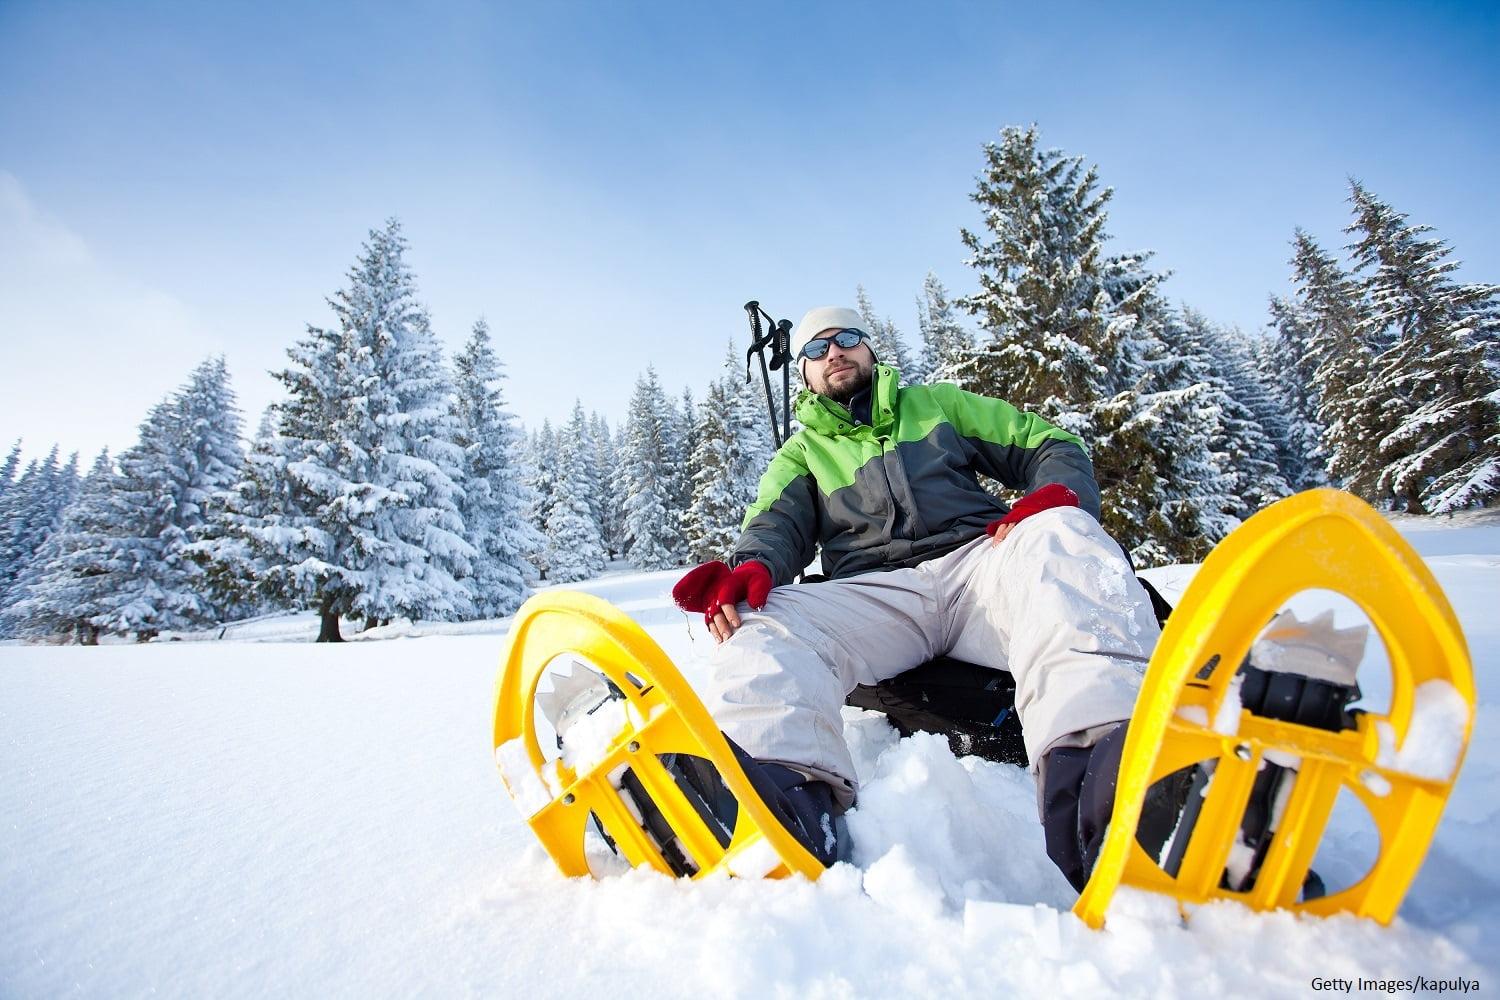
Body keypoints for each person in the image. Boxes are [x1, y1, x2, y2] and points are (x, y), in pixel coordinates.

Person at [672, 305, 1162, 889]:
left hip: (981, 564)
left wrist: (1056, 493)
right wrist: (751, 566)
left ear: (870, 350)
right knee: (764, 617)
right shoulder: (801, 456)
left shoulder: (937, 405)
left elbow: (1048, 443)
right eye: (816, 349)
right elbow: (773, 527)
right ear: (802, 373)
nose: (834, 353)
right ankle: (779, 806)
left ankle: (1119, 777)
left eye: (847, 338)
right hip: (879, 595)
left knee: (1062, 535)